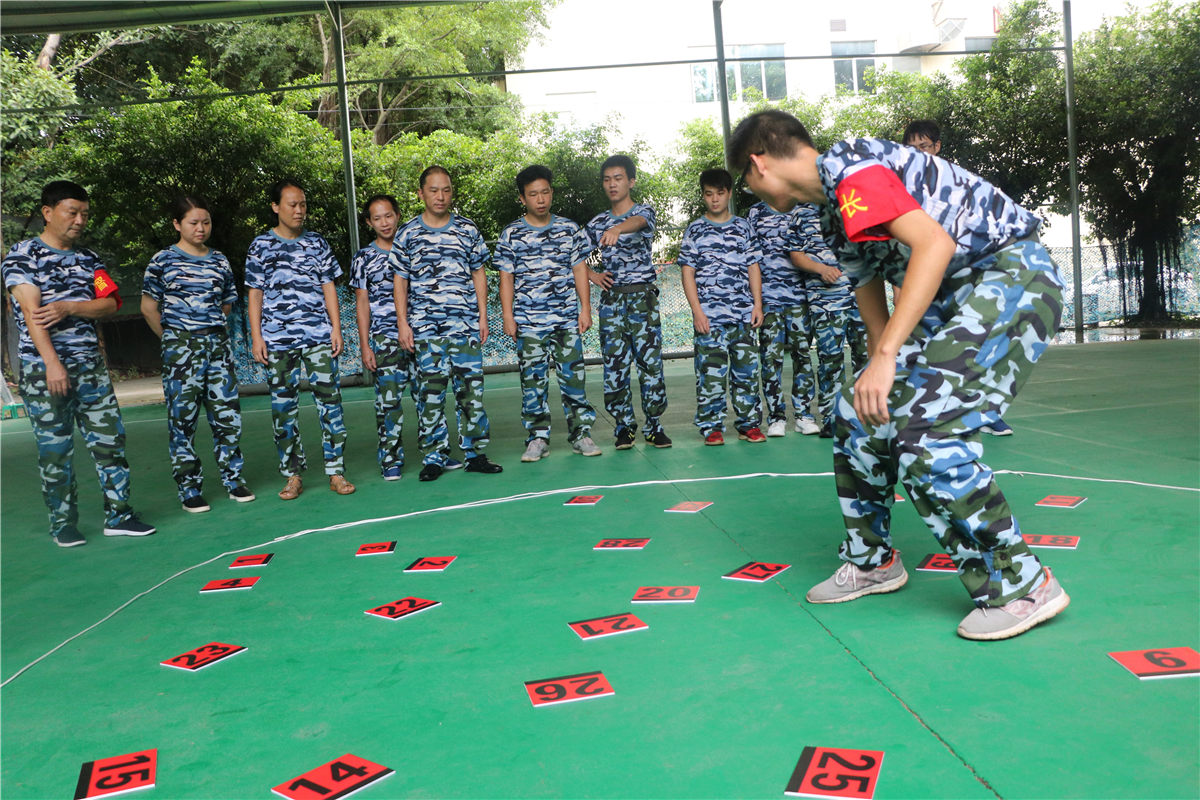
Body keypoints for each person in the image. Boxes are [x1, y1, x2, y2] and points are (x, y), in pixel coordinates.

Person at [730, 110, 1069, 640]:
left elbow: (935, 245)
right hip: (952, 301)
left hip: (1009, 276)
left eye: (744, 183)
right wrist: (879, 364)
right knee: (858, 412)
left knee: (928, 428)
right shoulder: (832, 212)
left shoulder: (851, 167)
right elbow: (873, 309)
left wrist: (889, 358)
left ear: (757, 165)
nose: (749, 192)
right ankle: (872, 561)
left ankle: (1022, 584)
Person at [3, 180, 156, 546]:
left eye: (84, 213)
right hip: (45, 371)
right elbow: (32, 313)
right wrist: (53, 364)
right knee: (55, 450)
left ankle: (119, 515)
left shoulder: (89, 261)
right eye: (72, 212)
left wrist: (71, 306)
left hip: (90, 367)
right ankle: (62, 524)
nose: (80, 220)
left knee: (110, 442)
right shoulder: (23, 256)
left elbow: (111, 303)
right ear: (48, 212)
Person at [141, 195, 254, 511]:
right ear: (177, 224)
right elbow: (149, 308)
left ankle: (234, 480)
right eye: (193, 222)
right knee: (182, 420)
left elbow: (227, 303)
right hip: (181, 350)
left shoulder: (219, 260)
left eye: (206, 222)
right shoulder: (162, 261)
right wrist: (173, 340)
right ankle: (189, 488)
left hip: (217, 347)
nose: (201, 228)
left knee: (227, 416)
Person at [392, 165, 503, 482]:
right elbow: (400, 280)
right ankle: (434, 457)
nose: (441, 196)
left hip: (465, 326)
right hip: (426, 330)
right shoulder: (408, 234)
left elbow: (479, 272)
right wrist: (403, 323)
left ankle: (475, 454)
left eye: (446, 190)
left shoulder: (467, 230)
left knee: (471, 394)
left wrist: (483, 316)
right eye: (433, 190)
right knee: (430, 397)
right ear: (421, 193)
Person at [246, 179, 355, 500]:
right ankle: (292, 475)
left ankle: (336, 471)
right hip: (277, 340)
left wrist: (336, 328)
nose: (299, 210)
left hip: (318, 336)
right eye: (292, 204)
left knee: (330, 404)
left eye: (303, 204)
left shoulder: (318, 244)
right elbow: (255, 294)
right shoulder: (260, 246)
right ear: (275, 207)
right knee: (283, 409)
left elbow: (329, 287)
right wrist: (257, 337)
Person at [902, 120, 1012, 436]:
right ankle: (923, 416)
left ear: (937, 147)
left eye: (924, 146)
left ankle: (986, 412)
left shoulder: (961, 183)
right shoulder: (903, 189)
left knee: (976, 346)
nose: (919, 154)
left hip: (964, 279)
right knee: (923, 349)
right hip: (923, 281)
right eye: (911, 149)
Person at [496, 165, 601, 462]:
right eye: (533, 195)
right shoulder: (512, 234)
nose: (540, 199)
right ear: (522, 199)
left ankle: (581, 435)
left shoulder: (569, 229)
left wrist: (585, 308)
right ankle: (537, 438)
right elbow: (506, 277)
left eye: (544, 192)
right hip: (529, 323)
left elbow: (579, 269)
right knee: (532, 383)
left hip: (566, 319)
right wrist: (508, 316)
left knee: (574, 380)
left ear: (551, 193)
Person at [584, 155, 671, 450]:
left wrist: (619, 228)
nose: (612, 184)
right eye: (607, 179)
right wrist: (593, 276)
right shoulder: (596, 224)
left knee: (650, 365)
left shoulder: (643, 211)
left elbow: (641, 222)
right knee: (615, 367)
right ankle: (624, 427)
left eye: (618, 178)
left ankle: (654, 426)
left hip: (642, 300)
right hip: (612, 301)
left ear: (631, 181)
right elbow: (571, 257)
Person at [678, 168, 765, 446]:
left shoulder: (743, 227)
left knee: (747, 374)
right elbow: (687, 272)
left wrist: (757, 305)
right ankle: (711, 427)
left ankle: (749, 424)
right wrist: (697, 312)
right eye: (708, 194)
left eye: (720, 193)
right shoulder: (695, 229)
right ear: (703, 196)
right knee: (710, 376)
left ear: (728, 193)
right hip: (710, 319)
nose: (714, 199)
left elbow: (753, 267)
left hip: (742, 315)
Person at [351, 195, 412, 481]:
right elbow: (361, 304)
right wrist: (365, 346)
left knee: (430, 397)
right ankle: (390, 458)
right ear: (368, 222)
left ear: (398, 215)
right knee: (388, 401)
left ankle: (437, 452)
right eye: (377, 218)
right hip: (385, 338)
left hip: (419, 332)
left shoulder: (413, 246)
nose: (384, 223)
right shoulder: (363, 258)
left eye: (388, 215)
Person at [785, 205, 858, 438]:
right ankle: (832, 418)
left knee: (868, 359)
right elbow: (795, 255)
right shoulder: (802, 212)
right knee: (831, 361)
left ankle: (866, 417)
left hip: (864, 298)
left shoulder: (854, 201)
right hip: (826, 300)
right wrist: (820, 269)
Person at [748, 198, 818, 437]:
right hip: (769, 302)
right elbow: (751, 258)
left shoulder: (805, 210)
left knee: (804, 357)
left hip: (801, 299)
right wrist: (756, 301)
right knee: (770, 361)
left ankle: (804, 414)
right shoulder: (756, 212)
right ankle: (776, 417)